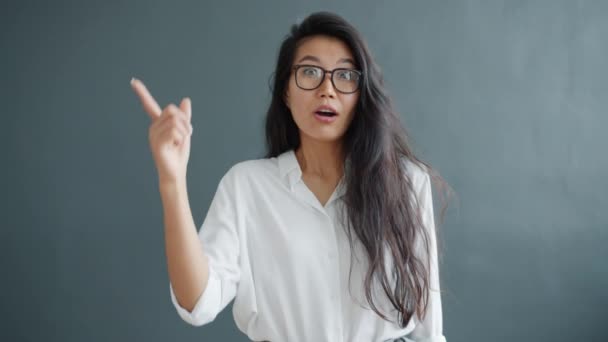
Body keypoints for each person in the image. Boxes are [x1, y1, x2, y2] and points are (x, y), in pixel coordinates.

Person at [131, 11, 449, 342]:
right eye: (309, 72)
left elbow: (428, 329)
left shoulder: (408, 182)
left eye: (345, 75)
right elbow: (198, 303)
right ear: (286, 91)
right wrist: (172, 181)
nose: (327, 89)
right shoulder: (247, 186)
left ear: (361, 92)